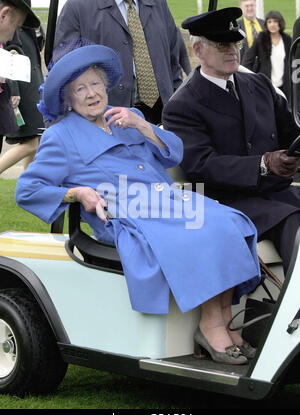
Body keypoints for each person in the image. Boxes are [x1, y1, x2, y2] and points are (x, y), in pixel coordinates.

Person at [15, 43, 261, 365]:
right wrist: (77, 193)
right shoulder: (60, 137)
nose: (91, 93)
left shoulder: (128, 118)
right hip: (127, 216)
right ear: (67, 99)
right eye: (80, 89)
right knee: (203, 231)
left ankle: (222, 318)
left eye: (94, 84)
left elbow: (174, 154)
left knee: (231, 222)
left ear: (106, 86)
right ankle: (211, 325)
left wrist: (142, 125)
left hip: (168, 204)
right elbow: (28, 189)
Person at [162, 7, 300, 276]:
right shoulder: (183, 105)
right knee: (295, 224)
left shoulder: (258, 84)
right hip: (227, 202)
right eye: (222, 45)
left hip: (274, 191)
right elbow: (201, 165)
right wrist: (262, 164)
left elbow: (290, 130)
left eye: (235, 43)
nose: (232, 51)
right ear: (199, 50)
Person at [53, 0, 182, 125]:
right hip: (107, 120)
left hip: (160, 114)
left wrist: (176, 105)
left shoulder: (158, 3)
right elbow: (63, 72)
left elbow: (173, 58)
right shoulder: (77, 7)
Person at [1, 5, 45, 174]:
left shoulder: (27, 21)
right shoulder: (10, 21)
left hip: (33, 86)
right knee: (31, 143)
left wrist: (37, 27)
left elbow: (38, 46)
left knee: (36, 141)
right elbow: (8, 56)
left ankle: (28, 187)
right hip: (20, 90)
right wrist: (13, 89)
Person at [243, 11, 292, 102]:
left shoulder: (287, 40)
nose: (272, 25)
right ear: (266, 24)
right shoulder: (261, 39)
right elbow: (247, 61)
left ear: (280, 23)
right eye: (269, 22)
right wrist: (251, 80)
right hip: (266, 86)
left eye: (275, 21)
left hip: (285, 87)